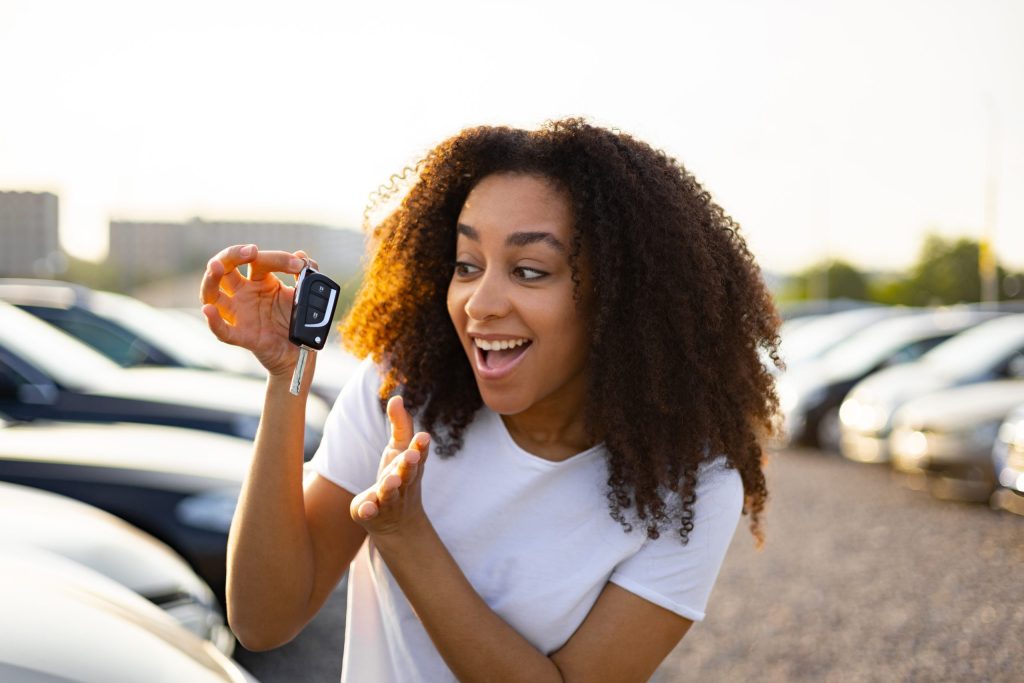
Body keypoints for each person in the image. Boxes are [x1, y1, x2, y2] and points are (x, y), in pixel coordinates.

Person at [200, 118, 781, 682]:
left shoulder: (694, 483)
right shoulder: (402, 392)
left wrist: (407, 535)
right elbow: (261, 620)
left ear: (621, 300)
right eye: (466, 265)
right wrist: (288, 374)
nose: (481, 303)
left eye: (529, 271)